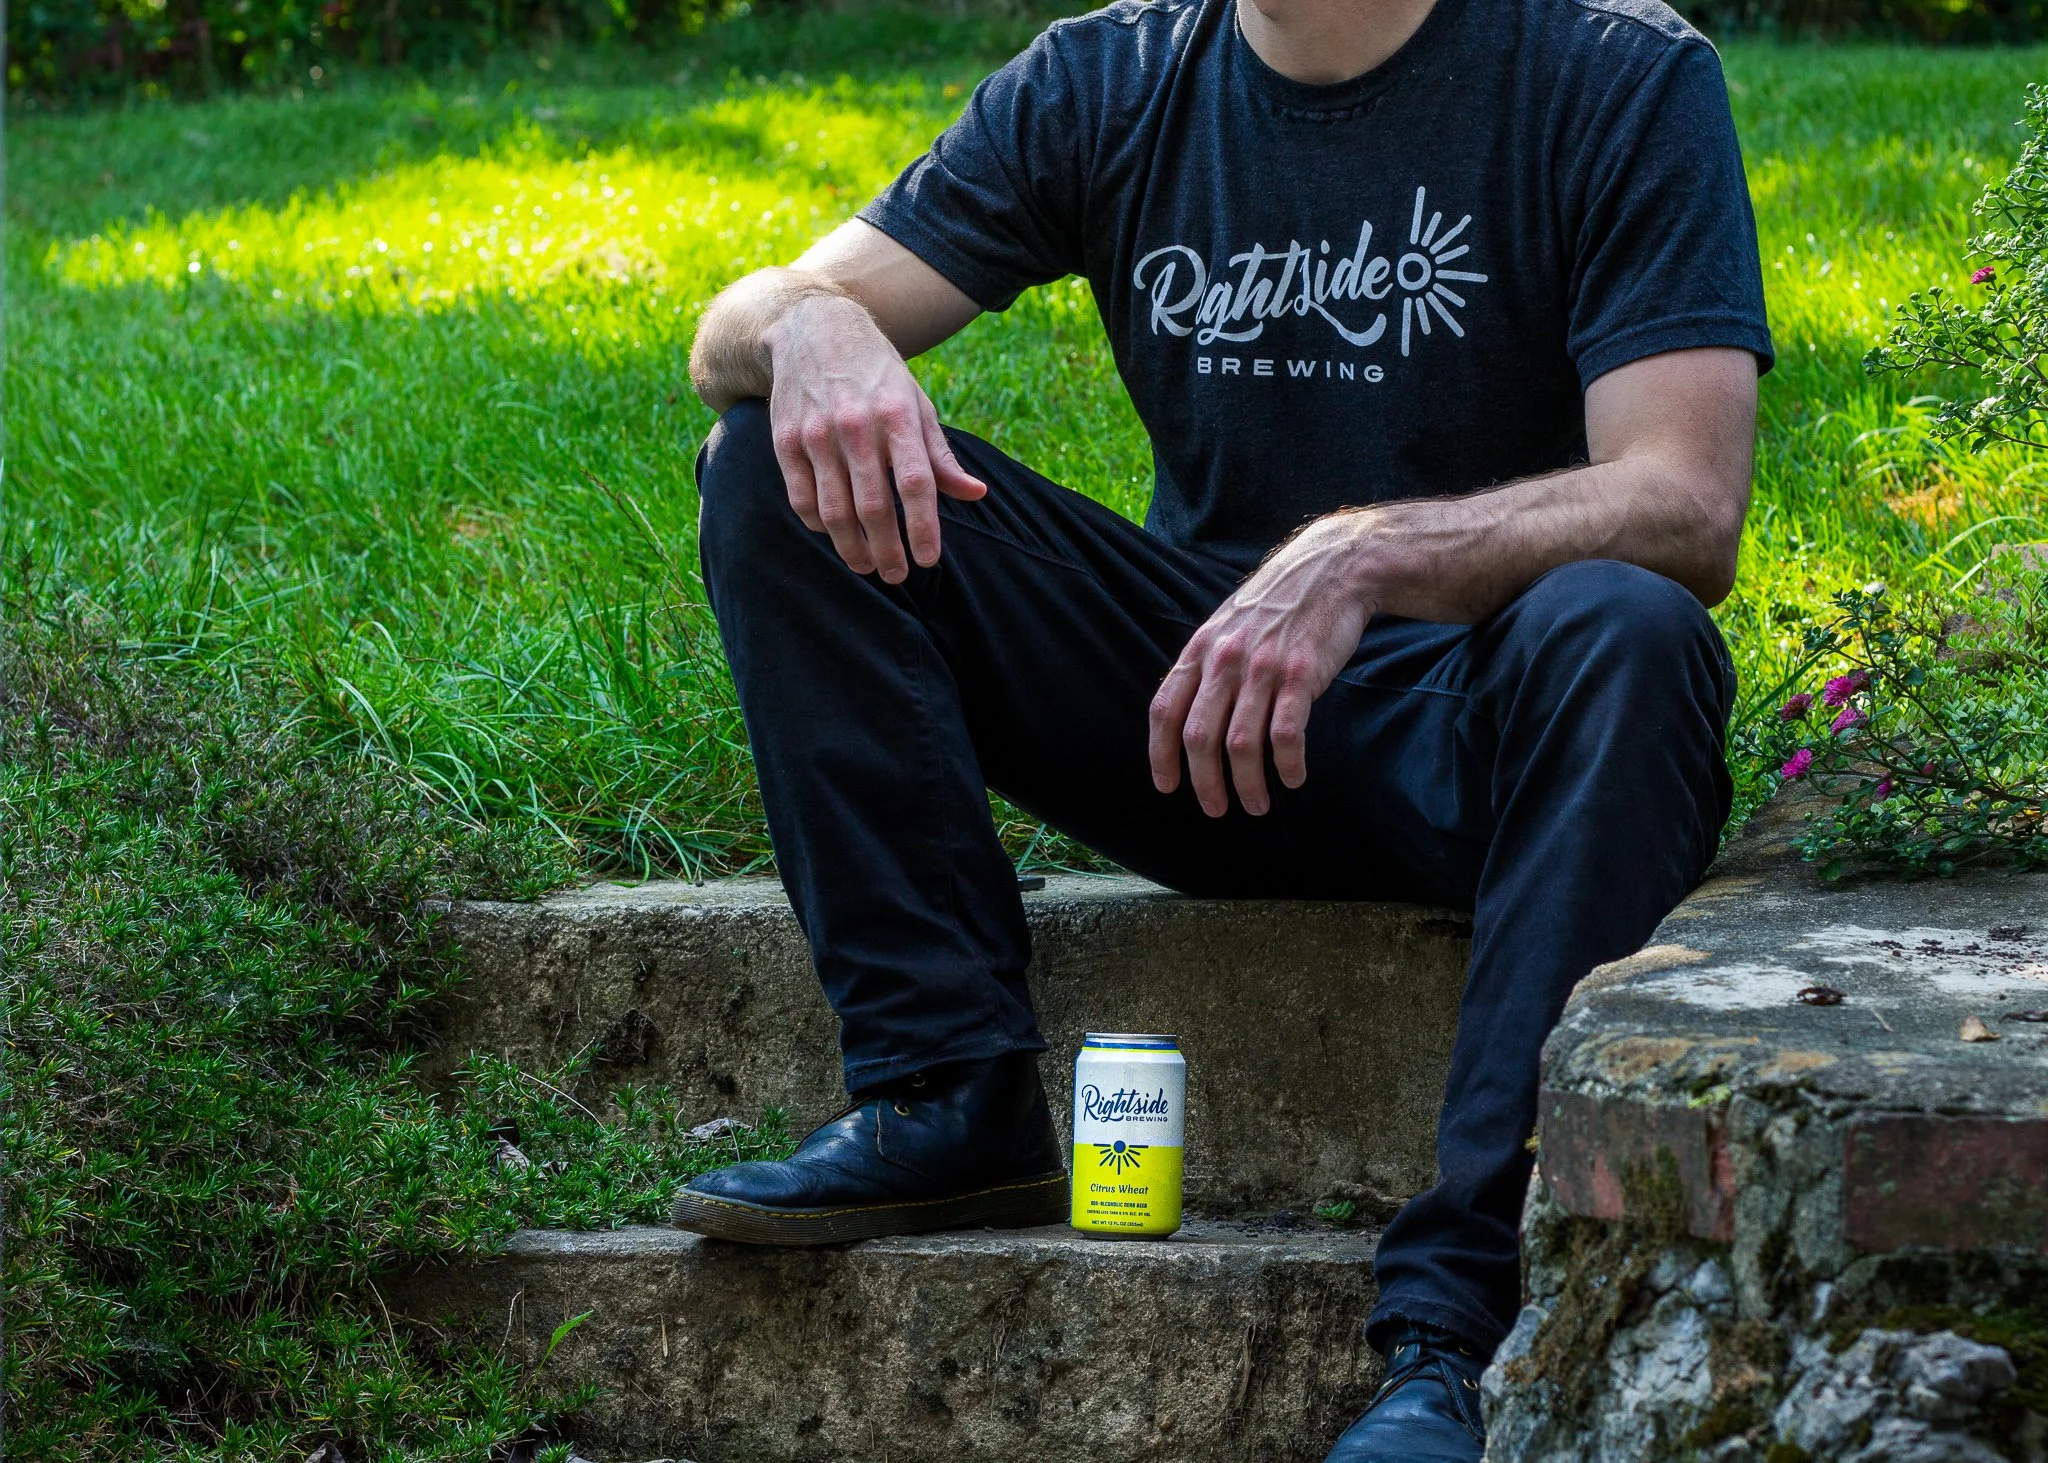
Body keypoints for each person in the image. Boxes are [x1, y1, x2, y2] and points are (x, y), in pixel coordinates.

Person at [668, 0, 1771, 1451]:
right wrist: (810, 322)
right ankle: (944, 1092)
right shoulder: (1109, 76)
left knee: (1633, 627)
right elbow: (732, 332)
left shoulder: (1615, 74)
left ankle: (1462, 1339)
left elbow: (1686, 501)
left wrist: (1365, 551)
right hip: (1198, 716)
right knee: (769, 462)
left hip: (1486, 731)